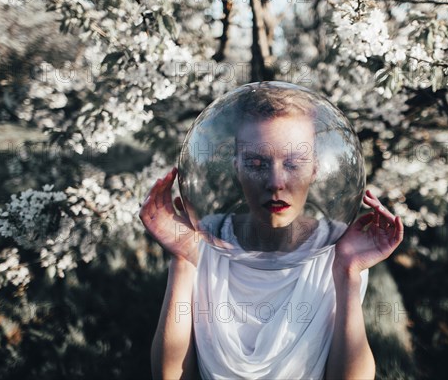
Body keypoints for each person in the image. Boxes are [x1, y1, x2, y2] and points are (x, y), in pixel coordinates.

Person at [140, 86, 404, 379]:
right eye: (256, 163)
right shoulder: (202, 241)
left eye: (293, 163)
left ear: (315, 168)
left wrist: (349, 273)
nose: (275, 181)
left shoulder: (336, 252)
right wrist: (182, 258)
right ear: (237, 167)